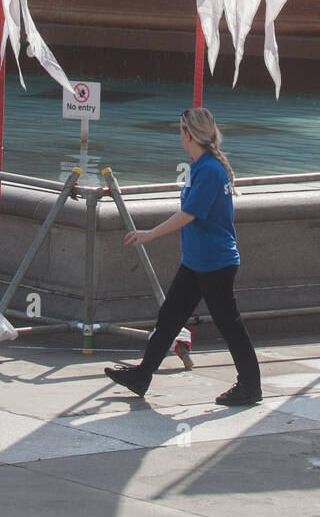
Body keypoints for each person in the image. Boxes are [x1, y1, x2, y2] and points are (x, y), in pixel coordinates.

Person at [104, 108, 262, 407]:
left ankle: (250, 386)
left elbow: (189, 214)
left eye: (180, 129)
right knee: (169, 318)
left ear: (189, 134)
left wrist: (150, 234)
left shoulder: (210, 170)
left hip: (214, 263)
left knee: (229, 324)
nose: (179, 134)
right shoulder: (204, 166)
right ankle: (142, 375)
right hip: (198, 261)